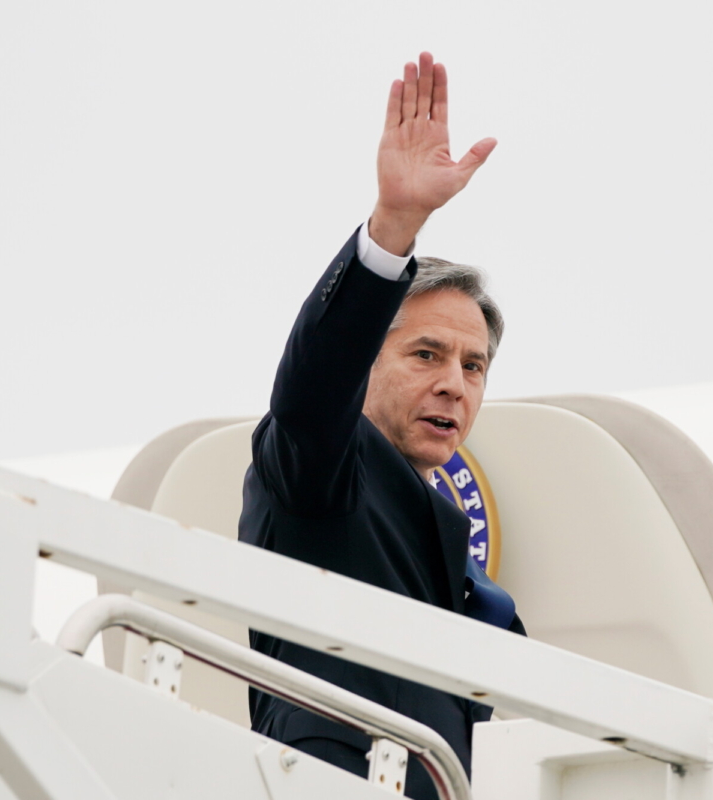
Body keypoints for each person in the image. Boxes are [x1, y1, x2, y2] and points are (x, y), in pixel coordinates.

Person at [237, 52, 525, 800]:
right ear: (367, 362)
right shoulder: (318, 471)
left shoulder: (446, 542)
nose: (452, 384)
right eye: (426, 354)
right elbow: (312, 388)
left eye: (473, 366)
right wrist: (395, 226)